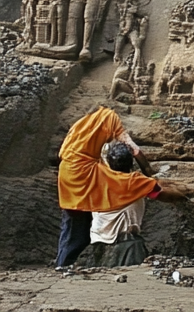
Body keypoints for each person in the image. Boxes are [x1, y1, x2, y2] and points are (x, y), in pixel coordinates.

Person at [56, 107, 163, 268]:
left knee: (77, 230)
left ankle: (66, 264)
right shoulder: (111, 122)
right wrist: (149, 173)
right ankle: (62, 266)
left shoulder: (81, 131)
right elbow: (134, 149)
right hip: (79, 180)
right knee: (74, 231)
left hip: (71, 177)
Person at [77, 140, 193, 268]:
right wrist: (139, 156)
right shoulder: (135, 182)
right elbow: (170, 195)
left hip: (98, 242)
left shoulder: (97, 176)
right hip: (126, 245)